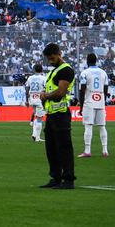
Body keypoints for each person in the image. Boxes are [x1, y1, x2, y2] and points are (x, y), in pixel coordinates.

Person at [40, 42, 76, 189]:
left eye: (52, 57)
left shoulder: (66, 70)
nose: (50, 60)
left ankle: (68, 180)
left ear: (59, 53)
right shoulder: (53, 72)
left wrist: (45, 96)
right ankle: (55, 178)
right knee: (51, 148)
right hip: (51, 114)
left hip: (61, 114)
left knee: (64, 148)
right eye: (48, 58)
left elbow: (60, 93)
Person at [77, 53, 109, 158]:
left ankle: (87, 151)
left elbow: (82, 90)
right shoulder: (103, 73)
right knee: (102, 126)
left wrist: (81, 106)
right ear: (96, 61)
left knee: (88, 126)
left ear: (87, 61)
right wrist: (103, 102)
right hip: (100, 100)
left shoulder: (85, 73)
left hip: (89, 101)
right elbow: (105, 89)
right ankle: (105, 150)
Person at [25, 63, 47, 143]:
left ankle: (35, 135)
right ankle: (36, 137)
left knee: (36, 116)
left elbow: (27, 88)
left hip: (32, 98)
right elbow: (46, 89)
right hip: (39, 98)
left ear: (34, 70)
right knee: (39, 118)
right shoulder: (44, 78)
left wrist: (27, 100)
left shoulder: (30, 78)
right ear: (42, 70)